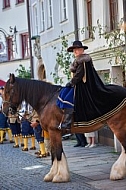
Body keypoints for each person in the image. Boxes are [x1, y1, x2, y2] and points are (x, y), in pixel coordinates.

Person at [57, 40, 126, 131]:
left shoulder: (82, 60)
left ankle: (67, 122)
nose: (75, 51)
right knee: (64, 94)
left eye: (77, 49)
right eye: (74, 50)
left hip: (85, 86)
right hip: (79, 85)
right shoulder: (79, 60)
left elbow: (79, 75)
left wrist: (71, 82)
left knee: (68, 98)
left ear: (82, 50)